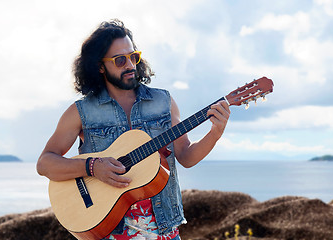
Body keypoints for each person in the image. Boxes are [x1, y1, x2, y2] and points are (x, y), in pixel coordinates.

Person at [36, 19, 230, 240]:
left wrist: (215, 133)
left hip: (164, 230)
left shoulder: (163, 101)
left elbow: (186, 156)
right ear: (100, 66)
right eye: (119, 60)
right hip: (109, 231)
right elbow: (45, 163)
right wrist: (92, 167)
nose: (129, 65)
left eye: (133, 57)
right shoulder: (81, 112)